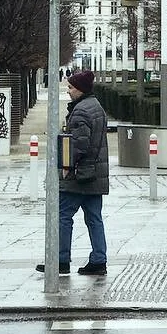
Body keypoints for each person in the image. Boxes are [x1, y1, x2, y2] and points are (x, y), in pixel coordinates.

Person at [36, 70, 109, 277]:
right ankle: (99, 259)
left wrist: (67, 166)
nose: (68, 91)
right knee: (94, 218)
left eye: (71, 87)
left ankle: (61, 259)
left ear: (81, 89)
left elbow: (78, 144)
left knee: (62, 216)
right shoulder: (96, 107)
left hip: (79, 176)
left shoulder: (81, 111)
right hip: (95, 174)